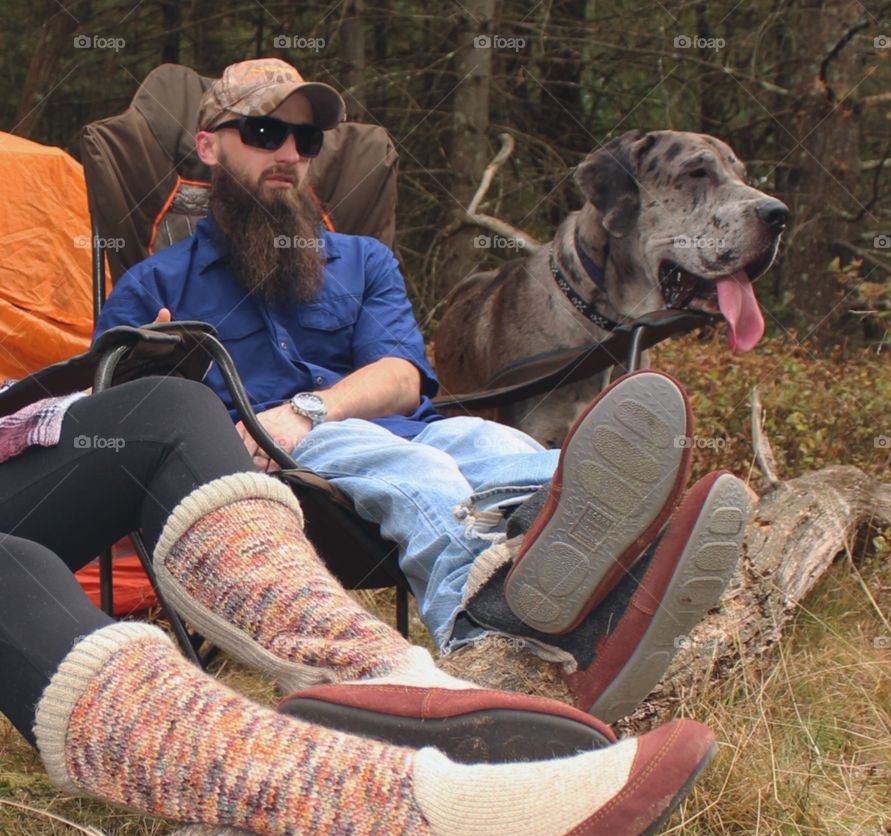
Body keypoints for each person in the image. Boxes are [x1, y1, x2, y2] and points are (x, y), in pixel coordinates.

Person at [95, 58, 750, 722]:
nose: (289, 154)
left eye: (306, 139)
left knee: (505, 448)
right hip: (270, 466)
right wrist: (153, 370)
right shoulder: (156, 286)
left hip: (390, 427)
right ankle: (483, 638)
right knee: (414, 466)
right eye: (264, 133)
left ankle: (628, 570)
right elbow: (106, 410)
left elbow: (403, 377)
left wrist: (310, 409)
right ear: (209, 147)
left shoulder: (362, 261)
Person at [0, 374, 715, 836]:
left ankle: (384, 679)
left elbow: (401, 370)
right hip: (299, 442)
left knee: (172, 406)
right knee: (12, 571)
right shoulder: (173, 272)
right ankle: (398, 824)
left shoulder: (357, 268)